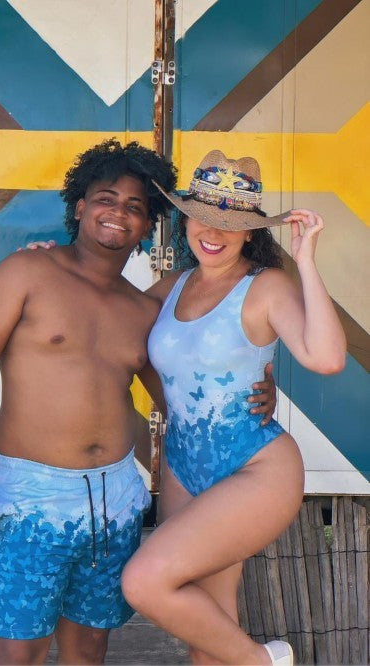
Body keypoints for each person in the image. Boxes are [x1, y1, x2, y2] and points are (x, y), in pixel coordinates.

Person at [0, 139, 276, 666]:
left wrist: (259, 384)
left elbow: (183, 388)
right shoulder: (26, 273)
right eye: (106, 198)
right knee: (19, 648)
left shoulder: (143, 310)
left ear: (148, 226)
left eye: (135, 207)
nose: (118, 213)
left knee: (90, 644)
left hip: (116, 498)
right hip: (33, 496)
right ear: (79, 206)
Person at [117, 150, 346, 665]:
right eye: (202, 216)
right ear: (185, 218)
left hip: (255, 467)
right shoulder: (175, 284)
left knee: (144, 581)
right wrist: (54, 263)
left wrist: (305, 261)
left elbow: (327, 358)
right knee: (208, 640)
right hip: (184, 467)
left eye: (233, 223)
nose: (214, 231)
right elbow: (111, 322)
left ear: (250, 232)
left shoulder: (265, 286)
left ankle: (267, 661)